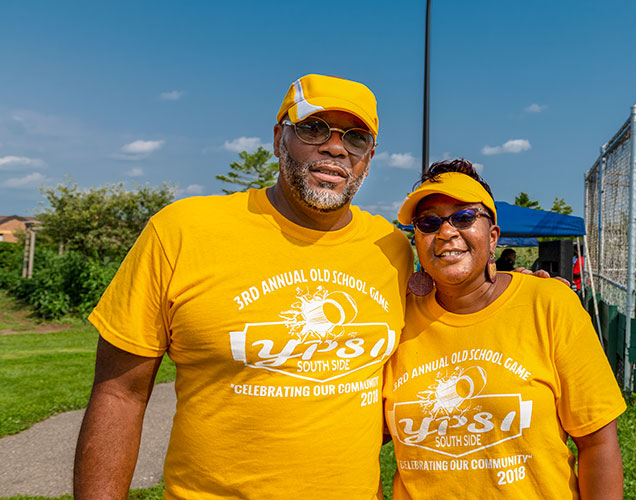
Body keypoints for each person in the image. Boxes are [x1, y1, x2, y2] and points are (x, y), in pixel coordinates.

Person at [74, 74, 414, 499]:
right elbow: (119, 394)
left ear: (369, 157)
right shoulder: (183, 231)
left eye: (356, 138)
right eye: (313, 128)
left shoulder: (392, 249)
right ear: (278, 139)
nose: (335, 146)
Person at [384, 159, 626, 499]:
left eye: (464, 217)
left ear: (493, 235)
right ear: (418, 241)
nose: (446, 231)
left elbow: (598, 441)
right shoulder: (395, 319)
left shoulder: (549, 304)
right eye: (429, 222)